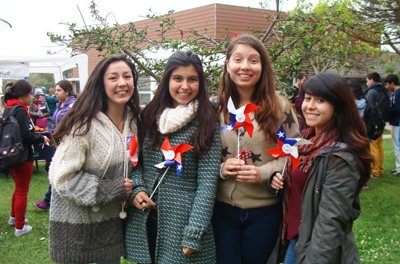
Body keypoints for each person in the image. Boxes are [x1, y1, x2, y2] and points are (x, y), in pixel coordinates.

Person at [125, 50, 221, 263]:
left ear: (201, 83)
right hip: (145, 218)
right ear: (167, 80)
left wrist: (195, 230)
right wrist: (137, 189)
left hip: (183, 222)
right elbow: (136, 161)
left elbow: (207, 183)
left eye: (192, 79)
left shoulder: (207, 121)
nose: (185, 86)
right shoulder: (149, 114)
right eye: (177, 78)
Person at [212, 34, 299, 264]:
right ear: (227, 65)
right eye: (238, 59)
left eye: (253, 60)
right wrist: (221, 168)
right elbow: (198, 158)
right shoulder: (213, 108)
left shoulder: (280, 107)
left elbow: (294, 153)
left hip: (265, 212)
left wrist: (264, 173)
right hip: (222, 210)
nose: (245, 67)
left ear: (263, 66)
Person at [269, 73, 372, 264]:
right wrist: (279, 181)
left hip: (314, 248)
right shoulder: (305, 143)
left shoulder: (339, 157)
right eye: (308, 98)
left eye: (321, 100)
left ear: (338, 106)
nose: (310, 106)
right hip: (294, 239)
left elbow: (331, 221)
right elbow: (305, 190)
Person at [48, 54, 141, 264]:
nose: (122, 83)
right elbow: (61, 178)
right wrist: (109, 189)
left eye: (127, 76)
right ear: (100, 83)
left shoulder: (136, 121)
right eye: (113, 78)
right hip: (77, 225)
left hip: (111, 225)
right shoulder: (82, 125)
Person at [3, 80, 49, 236]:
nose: (32, 98)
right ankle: (19, 227)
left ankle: (14, 217)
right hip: (22, 155)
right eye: (30, 94)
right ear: (22, 95)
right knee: (22, 190)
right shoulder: (20, 110)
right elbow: (26, 135)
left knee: (18, 188)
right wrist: (41, 139)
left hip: (12, 154)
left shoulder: (9, 107)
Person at [33, 80, 77, 211]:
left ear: (67, 91)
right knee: (59, 171)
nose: (55, 93)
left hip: (69, 144)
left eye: (58, 90)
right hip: (60, 143)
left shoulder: (73, 105)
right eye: (55, 90)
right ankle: (51, 201)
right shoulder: (61, 104)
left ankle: (48, 201)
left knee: (58, 171)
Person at [365, 72, 387, 178]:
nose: (367, 83)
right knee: (379, 146)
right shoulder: (383, 90)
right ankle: (379, 168)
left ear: (372, 80)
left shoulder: (371, 92)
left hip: (373, 123)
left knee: (372, 146)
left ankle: (375, 171)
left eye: (367, 80)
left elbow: (368, 108)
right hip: (381, 122)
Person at [384, 74, 400, 176]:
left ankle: (399, 168)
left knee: (397, 145)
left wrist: (388, 111)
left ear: (392, 83)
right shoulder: (395, 93)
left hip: (397, 122)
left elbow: (397, 108)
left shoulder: (398, 93)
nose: (387, 86)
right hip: (395, 122)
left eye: (387, 84)